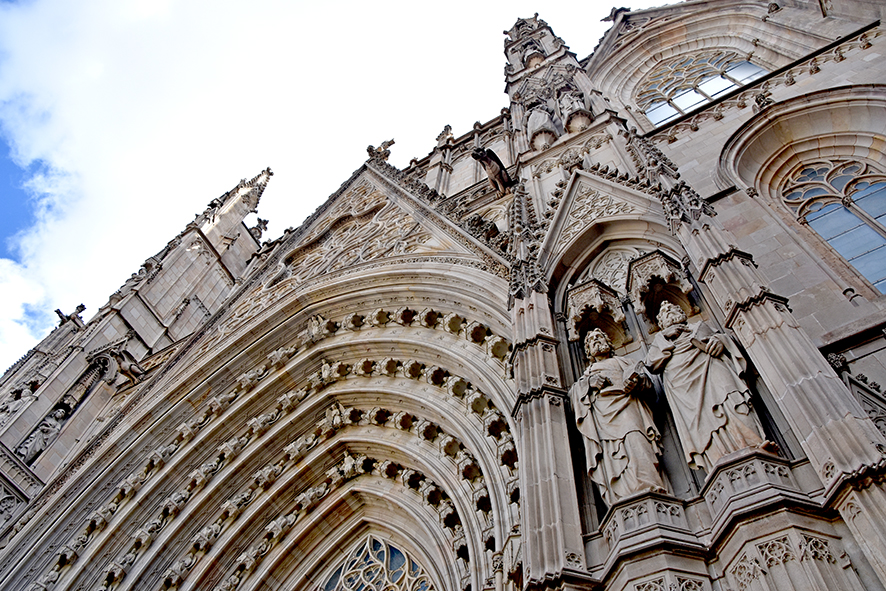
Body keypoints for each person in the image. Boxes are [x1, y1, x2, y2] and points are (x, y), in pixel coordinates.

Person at [645, 301, 773, 472]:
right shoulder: (660, 341)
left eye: (672, 308)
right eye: (664, 312)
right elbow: (651, 364)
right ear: (661, 323)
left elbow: (727, 341)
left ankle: (754, 444)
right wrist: (664, 337)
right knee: (702, 421)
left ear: (682, 314)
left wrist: (720, 342)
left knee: (731, 401)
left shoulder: (699, 326)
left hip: (712, 368)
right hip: (682, 384)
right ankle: (717, 461)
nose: (668, 311)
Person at [571, 329, 666, 504]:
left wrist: (637, 383)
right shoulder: (587, 374)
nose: (596, 341)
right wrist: (588, 384)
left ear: (609, 343)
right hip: (603, 422)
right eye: (591, 340)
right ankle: (623, 497)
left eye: (599, 337)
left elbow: (651, 389)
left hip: (629, 411)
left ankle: (650, 489)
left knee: (636, 444)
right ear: (588, 352)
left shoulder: (625, 362)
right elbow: (574, 398)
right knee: (611, 457)